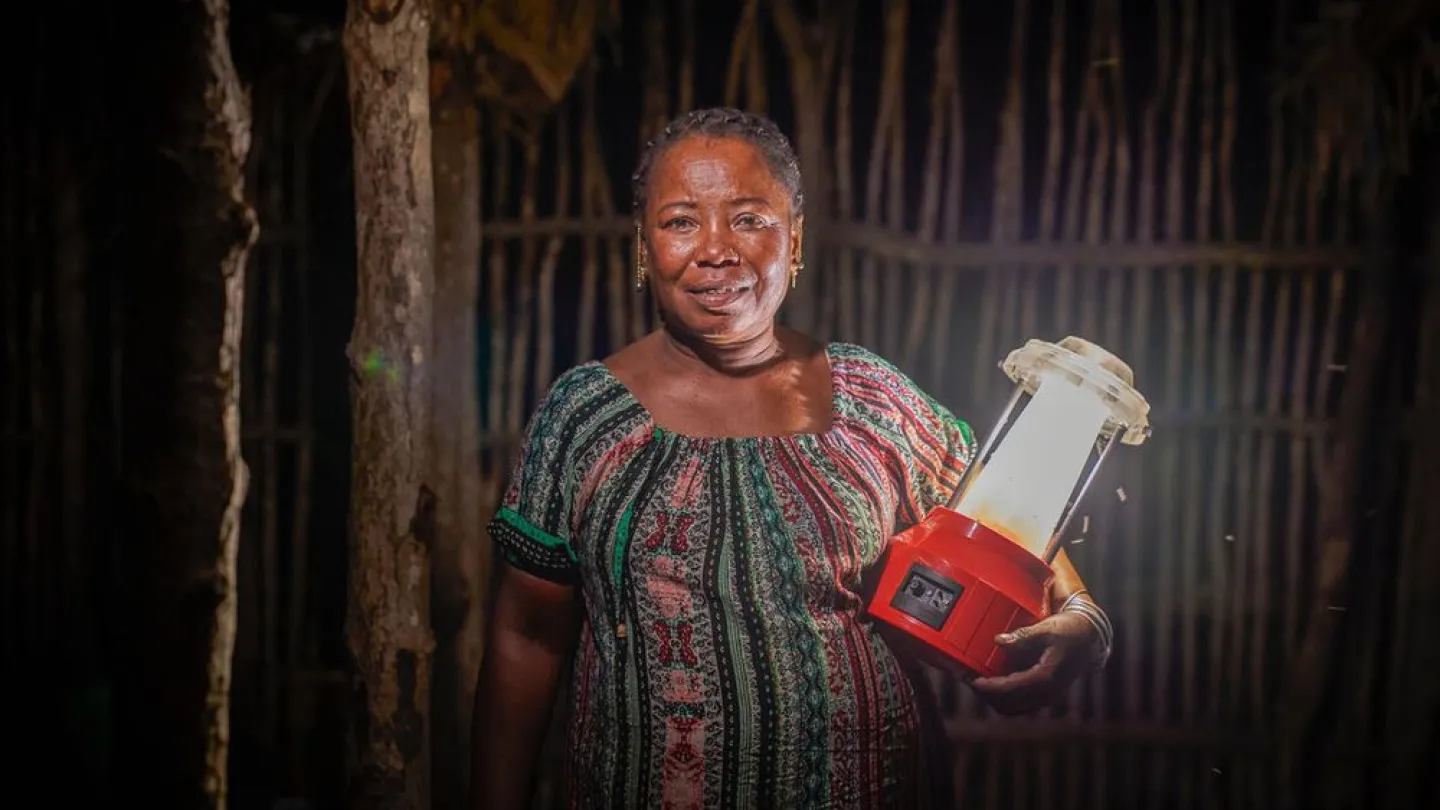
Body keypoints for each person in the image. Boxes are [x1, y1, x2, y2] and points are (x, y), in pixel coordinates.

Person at [470, 107, 1113, 810]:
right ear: (642, 246)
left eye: (748, 218)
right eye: (681, 221)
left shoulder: (873, 399)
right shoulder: (586, 419)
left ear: (795, 239)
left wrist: (1085, 616)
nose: (715, 250)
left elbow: (1009, 512)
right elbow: (527, 637)